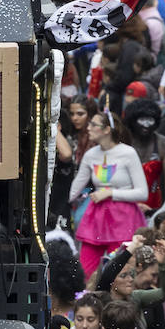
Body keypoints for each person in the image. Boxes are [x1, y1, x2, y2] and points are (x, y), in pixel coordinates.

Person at [69, 111, 149, 276]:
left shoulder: (128, 153)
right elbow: (74, 189)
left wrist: (110, 193)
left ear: (107, 130)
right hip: (97, 215)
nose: (88, 128)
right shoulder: (91, 154)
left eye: (93, 124)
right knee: (86, 268)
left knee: (120, 269)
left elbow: (143, 193)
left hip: (123, 217)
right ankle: (87, 292)